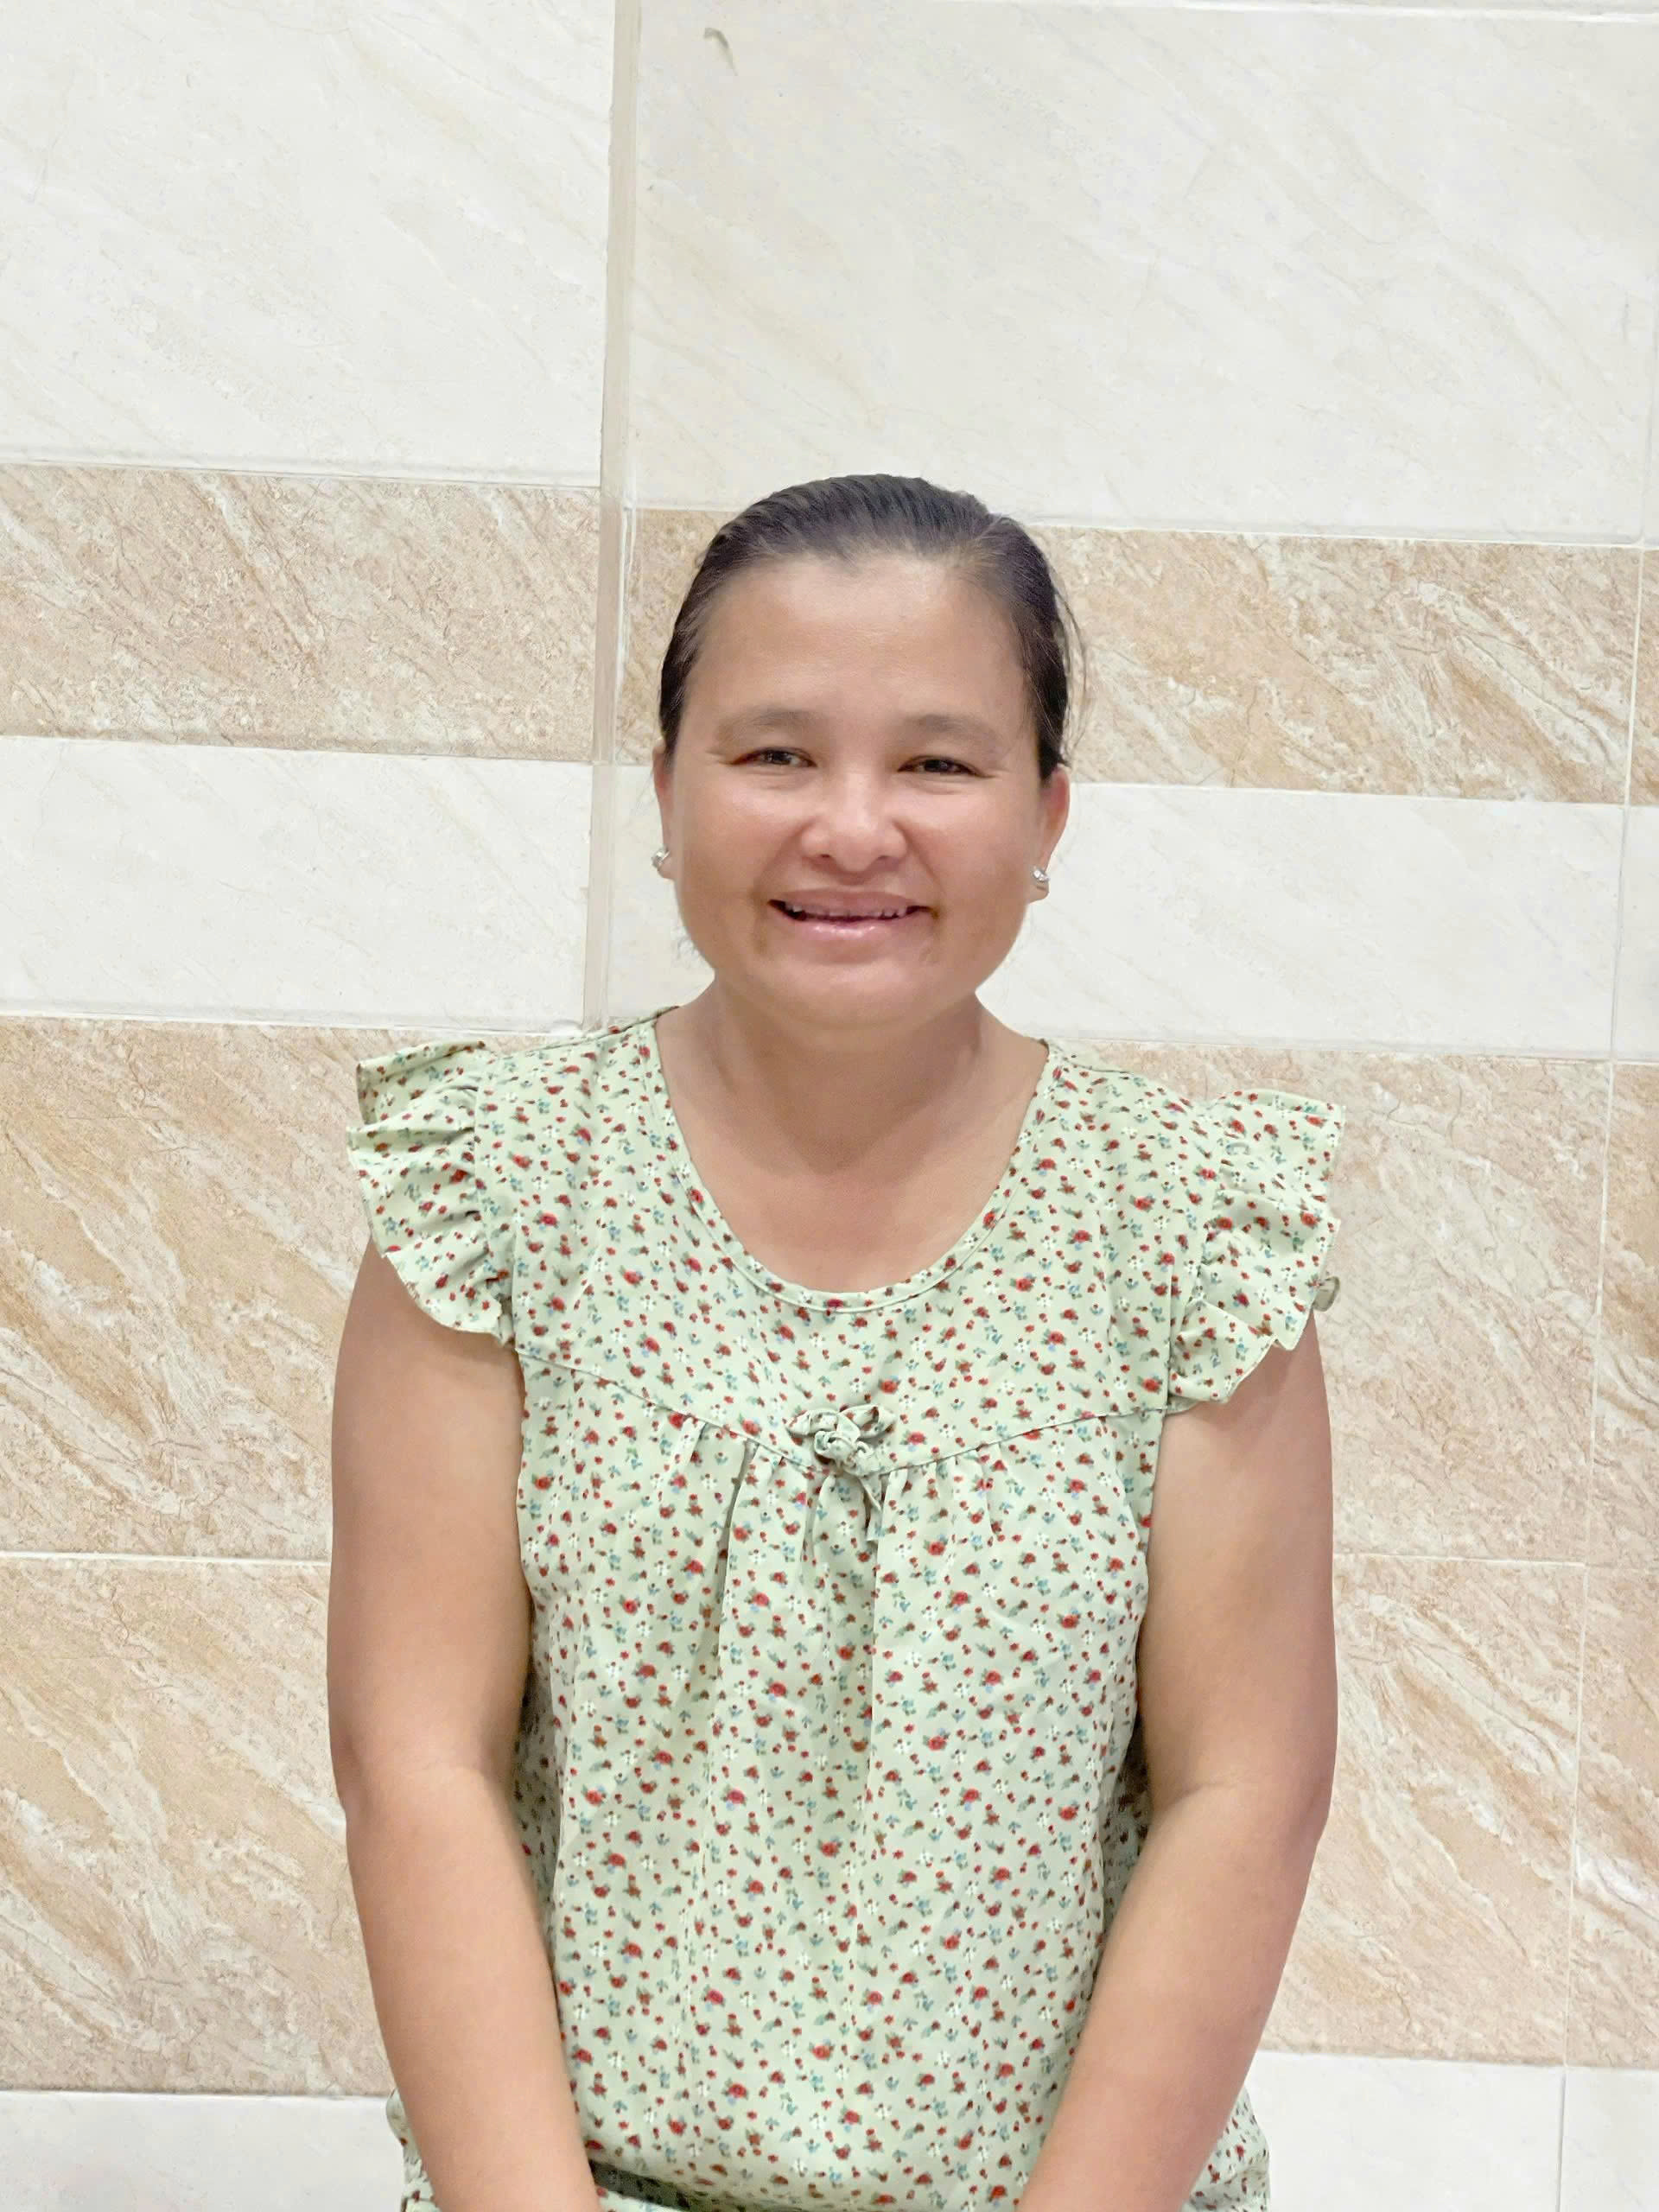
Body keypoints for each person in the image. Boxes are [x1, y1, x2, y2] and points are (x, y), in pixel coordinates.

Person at [329, 474, 1345, 2212]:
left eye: (938, 763)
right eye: (776, 753)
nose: (853, 827)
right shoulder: (492, 1186)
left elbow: (1244, 1792)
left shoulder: (1193, 1228)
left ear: (1048, 812)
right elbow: (413, 1761)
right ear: (667, 791)